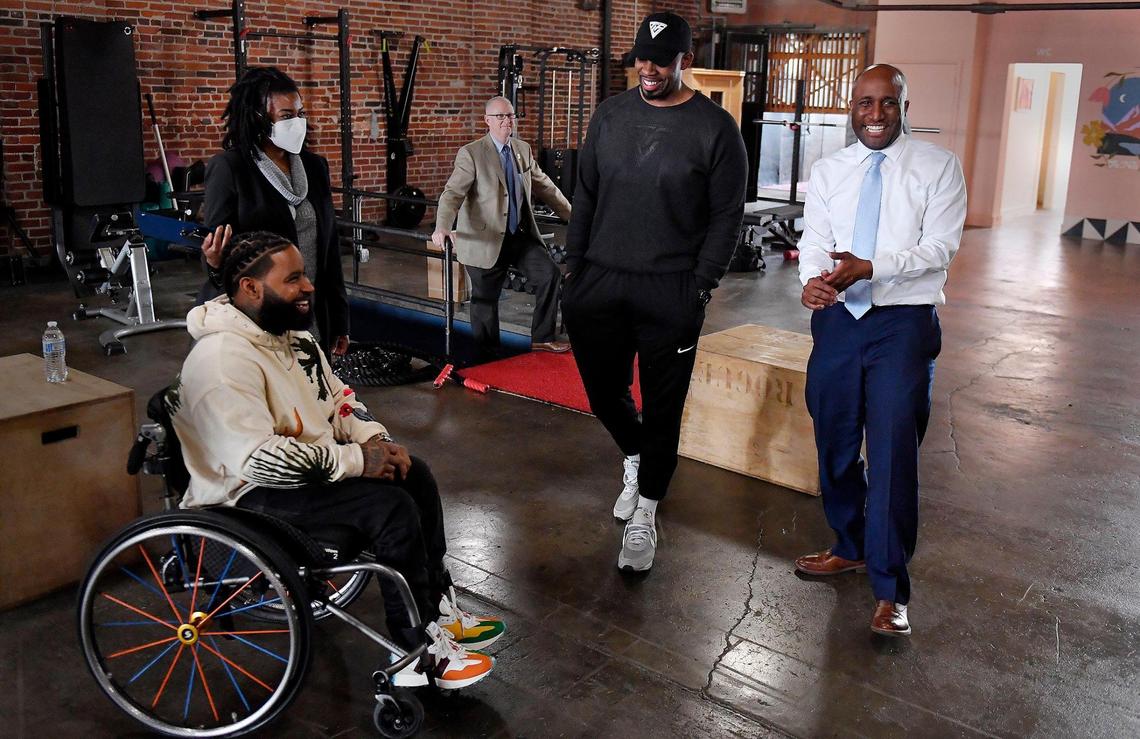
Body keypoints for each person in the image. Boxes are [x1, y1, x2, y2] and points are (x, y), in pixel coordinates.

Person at [170, 231, 506, 688]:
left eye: (305, 274)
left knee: (415, 475)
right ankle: (416, 652)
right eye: (293, 279)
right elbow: (255, 461)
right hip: (247, 494)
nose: (309, 286)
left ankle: (436, 608)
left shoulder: (296, 342)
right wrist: (355, 461)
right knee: (390, 508)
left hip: (308, 471)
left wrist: (377, 442)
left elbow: (341, 400)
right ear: (251, 288)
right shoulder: (221, 360)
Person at [562, 12, 748, 572]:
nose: (647, 69)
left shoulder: (716, 130)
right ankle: (640, 460)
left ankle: (646, 508)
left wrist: (700, 285)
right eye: (641, 58)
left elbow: (725, 216)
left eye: (660, 61)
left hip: (671, 287)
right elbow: (586, 196)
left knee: (664, 407)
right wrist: (574, 267)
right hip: (600, 278)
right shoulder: (610, 116)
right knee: (603, 394)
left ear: (684, 62)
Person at [794, 64, 967, 637]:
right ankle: (850, 543)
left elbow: (939, 248)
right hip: (839, 321)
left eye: (887, 103)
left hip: (903, 322)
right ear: (852, 106)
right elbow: (815, 239)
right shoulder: (829, 170)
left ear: (903, 105)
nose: (874, 115)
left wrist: (874, 267)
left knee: (892, 451)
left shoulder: (937, 168)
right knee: (834, 437)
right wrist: (814, 279)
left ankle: (891, 589)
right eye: (864, 103)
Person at [198, 66, 349, 358]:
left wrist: (340, 320)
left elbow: (330, 253)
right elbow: (218, 249)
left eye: (300, 114)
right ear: (258, 118)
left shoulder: (315, 168)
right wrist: (216, 264)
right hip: (260, 316)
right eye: (286, 117)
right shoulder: (230, 169)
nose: (298, 123)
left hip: (311, 314)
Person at [433, 96, 573, 356]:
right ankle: (488, 356)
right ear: (487, 121)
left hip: (518, 236)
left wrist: (573, 216)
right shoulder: (472, 154)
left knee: (549, 275)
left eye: (510, 116)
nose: (507, 121)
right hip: (484, 238)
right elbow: (452, 193)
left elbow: (546, 187)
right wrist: (442, 226)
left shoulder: (523, 149)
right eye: (500, 116)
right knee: (485, 301)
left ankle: (542, 338)